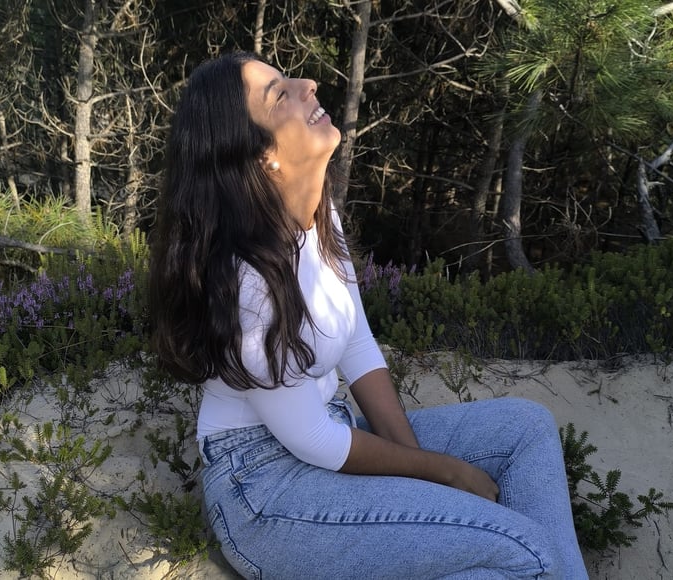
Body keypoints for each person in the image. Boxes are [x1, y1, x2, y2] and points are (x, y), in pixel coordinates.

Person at [149, 51, 589, 579]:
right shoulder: (246, 280)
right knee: (527, 552)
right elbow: (313, 438)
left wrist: (419, 473)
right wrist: (441, 473)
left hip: (332, 436)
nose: (308, 84)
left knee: (526, 430)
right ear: (262, 157)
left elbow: (357, 344)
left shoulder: (319, 215)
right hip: (264, 493)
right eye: (280, 94)